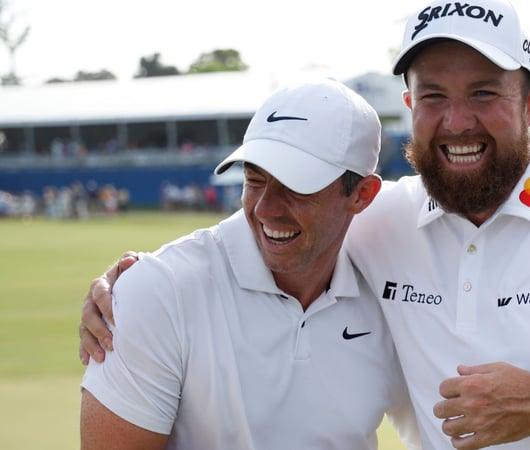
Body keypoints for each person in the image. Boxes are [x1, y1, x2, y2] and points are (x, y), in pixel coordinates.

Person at [80, 1, 530, 449]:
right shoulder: (384, 220)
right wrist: (135, 281)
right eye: (434, 95)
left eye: (484, 93)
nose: (456, 121)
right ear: (409, 103)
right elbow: (278, 225)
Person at [79, 78, 421, 450]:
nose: (265, 209)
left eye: (296, 187)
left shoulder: (395, 296)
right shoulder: (158, 290)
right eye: (254, 180)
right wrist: (135, 289)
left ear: (362, 195)